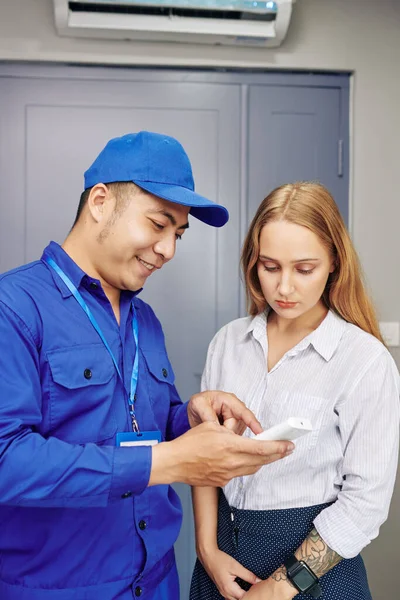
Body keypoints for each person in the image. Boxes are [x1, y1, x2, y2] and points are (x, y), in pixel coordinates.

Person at [0, 131, 294, 600]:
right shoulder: (12, 307)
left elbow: (147, 423)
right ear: (100, 202)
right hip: (58, 588)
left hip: (157, 583)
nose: (168, 250)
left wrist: (189, 417)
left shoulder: (144, 319)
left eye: (177, 234)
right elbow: (6, 460)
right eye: (158, 224)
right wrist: (166, 461)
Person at [190, 182, 400, 600]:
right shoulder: (227, 343)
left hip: (316, 577)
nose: (284, 288)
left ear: (334, 264)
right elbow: (203, 456)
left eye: (304, 269)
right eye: (270, 267)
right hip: (220, 568)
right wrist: (207, 549)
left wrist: (283, 585)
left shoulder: (364, 360)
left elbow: (366, 502)